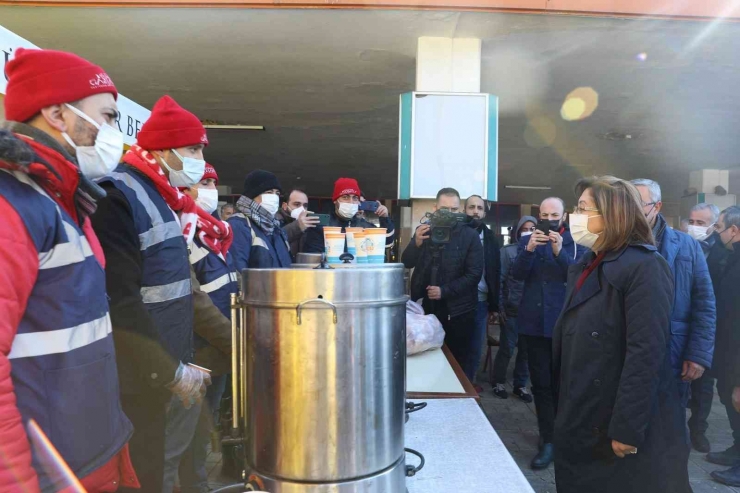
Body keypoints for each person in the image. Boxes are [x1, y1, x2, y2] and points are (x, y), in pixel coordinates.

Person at [0, 47, 138, 492]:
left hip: (85, 455)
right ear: (58, 114)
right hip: (48, 471)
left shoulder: (66, 202)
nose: (115, 131)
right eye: (109, 116)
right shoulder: (13, 206)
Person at [91, 95, 216, 492]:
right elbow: (121, 299)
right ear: (162, 150)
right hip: (139, 376)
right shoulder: (118, 196)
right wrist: (167, 369)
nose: (198, 158)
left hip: (164, 365)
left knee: (165, 463)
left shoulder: (163, 199)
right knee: (145, 473)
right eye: (192, 148)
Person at [553, 175, 691, 493]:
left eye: (584, 208)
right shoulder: (588, 263)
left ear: (613, 214)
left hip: (613, 421)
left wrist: (627, 428)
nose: (576, 216)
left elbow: (646, 352)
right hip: (582, 409)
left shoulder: (645, 267)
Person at [631, 179, 715, 431]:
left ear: (656, 206)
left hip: (673, 352)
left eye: (637, 204)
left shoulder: (687, 245)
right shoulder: (614, 244)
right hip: (626, 351)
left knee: (669, 430)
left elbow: (705, 303)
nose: (630, 211)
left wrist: (698, 354)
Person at [512, 197, 588, 470]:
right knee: (542, 386)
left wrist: (558, 252)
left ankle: (566, 436)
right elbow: (517, 274)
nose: (548, 219)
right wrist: (529, 249)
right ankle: (548, 439)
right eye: (543, 214)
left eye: (554, 215)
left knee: (565, 384)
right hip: (533, 324)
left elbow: (576, 278)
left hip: (565, 326)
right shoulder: (526, 241)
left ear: (564, 216)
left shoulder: (577, 244)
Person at [178, 164, 237, 493]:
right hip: (199, 351)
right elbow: (196, 302)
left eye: (214, 181)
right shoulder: (186, 232)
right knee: (193, 431)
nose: (212, 187)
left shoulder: (214, 234)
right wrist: (234, 340)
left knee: (209, 422)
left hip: (219, 351)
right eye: (204, 182)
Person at [402, 188, 483, 378]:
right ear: (435, 208)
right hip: (426, 310)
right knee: (425, 361)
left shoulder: (470, 236)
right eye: (444, 209)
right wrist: (416, 243)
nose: (449, 214)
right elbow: (407, 262)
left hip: (459, 312)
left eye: (454, 210)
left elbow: (474, 274)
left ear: (461, 210)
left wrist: (444, 291)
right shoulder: (425, 232)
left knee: (456, 363)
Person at [686, 202, 724, 452]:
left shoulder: (724, 254)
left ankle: (698, 430)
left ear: (714, 225)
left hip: (708, 325)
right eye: (692, 222)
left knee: (703, 384)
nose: (695, 228)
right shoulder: (681, 245)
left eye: (701, 224)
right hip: (681, 321)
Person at [708, 206, 740, 486]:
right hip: (728, 353)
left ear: (734, 230)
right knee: (729, 400)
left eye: (719, 228)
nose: (716, 233)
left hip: (737, 358)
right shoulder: (732, 257)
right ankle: (737, 449)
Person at [491, 217, 536, 402]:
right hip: (511, 310)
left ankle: (520, 385)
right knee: (507, 348)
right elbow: (500, 280)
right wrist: (499, 306)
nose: (529, 232)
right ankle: (498, 382)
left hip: (532, 311)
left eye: (532, 228)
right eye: (524, 229)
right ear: (517, 232)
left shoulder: (542, 252)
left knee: (526, 352)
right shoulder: (507, 252)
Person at [302, 178, 395, 254]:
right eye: (345, 197)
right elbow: (313, 259)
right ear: (335, 201)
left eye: (355, 198)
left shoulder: (365, 227)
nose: (351, 202)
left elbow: (387, 244)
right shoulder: (320, 227)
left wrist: (384, 218)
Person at [464, 195, 501, 383]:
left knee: (475, 348)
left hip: (480, 302)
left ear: (484, 213)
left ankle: (469, 385)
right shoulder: (456, 233)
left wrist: (495, 304)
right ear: (465, 210)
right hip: (457, 300)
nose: (475, 211)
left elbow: (495, 271)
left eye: (479, 208)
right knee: (454, 346)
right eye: (471, 207)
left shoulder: (491, 238)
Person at [228, 169, 292, 269]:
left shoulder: (276, 227)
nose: (274, 197)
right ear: (252, 196)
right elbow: (238, 273)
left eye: (277, 193)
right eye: (269, 192)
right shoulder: (238, 226)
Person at [276, 188, 319, 258]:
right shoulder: (275, 221)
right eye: (297, 204)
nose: (302, 209)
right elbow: (275, 240)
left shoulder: (309, 225)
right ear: (285, 206)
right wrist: (297, 226)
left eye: (305, 205)